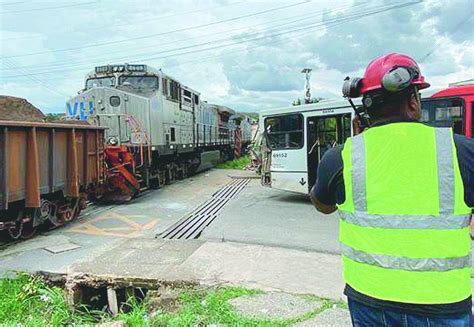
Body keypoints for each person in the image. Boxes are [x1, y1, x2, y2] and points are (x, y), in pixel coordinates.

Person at [310, 53, 473, 327]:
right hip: (443, 304)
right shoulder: (462, 151)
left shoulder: (342, 157)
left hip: (370, 301)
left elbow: (322, 204)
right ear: (413, 101)